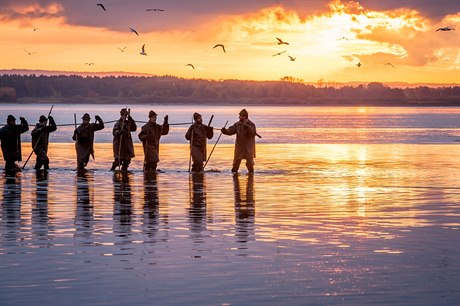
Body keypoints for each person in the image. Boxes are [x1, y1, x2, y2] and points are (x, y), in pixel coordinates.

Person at [221, 109, 257, 173]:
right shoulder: (237, 125)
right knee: (236, 164)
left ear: (244, 116)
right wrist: (225, 131)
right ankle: (234, 179)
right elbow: (231, 131)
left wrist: (247, 127)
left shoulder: (252, 125)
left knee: (249, 164)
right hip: (239, 147)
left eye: (240, 116)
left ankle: (251, 178)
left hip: (248, 148)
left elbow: (252, 134)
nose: (239, 117)